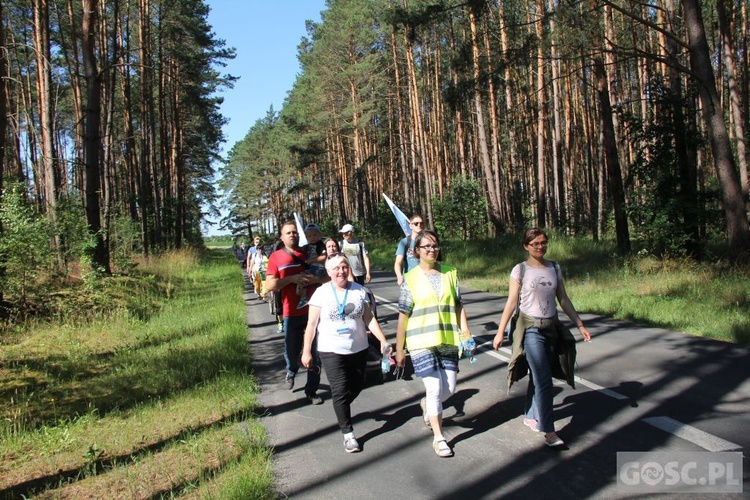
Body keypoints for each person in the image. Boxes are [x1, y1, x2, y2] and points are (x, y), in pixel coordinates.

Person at [492, 228, 592, 448]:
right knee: (544, 379)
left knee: (539, 375)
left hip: (551, 328)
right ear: (526, 246)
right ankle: (549, 430)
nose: (540, 247)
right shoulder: (520, 270)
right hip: (531, 330)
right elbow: (511, 302)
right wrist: (500, 332)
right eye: (535, 243)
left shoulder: (554, 268)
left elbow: (563, 299)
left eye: (543, 243)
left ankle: (530, 414)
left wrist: (580, 324)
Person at [301, 253, 389, 453]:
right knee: (340, 390)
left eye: (344, 267)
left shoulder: (359, 291)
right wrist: (307, 351)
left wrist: (383, 340)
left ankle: (341, 408)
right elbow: (311, 324)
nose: (341, 271)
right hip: (331, 349)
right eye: (336, 268)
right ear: (329, 272)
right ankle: (348, 433)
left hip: (358, 348)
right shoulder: (321, 293)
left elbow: (369, 318)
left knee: (357, 385)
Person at [395, 229, 470, 458]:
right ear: (416, 251)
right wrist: (400, 349)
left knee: (449, 389)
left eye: (435, 245)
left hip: (447, 338)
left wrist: (466, 333)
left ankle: (427, 404)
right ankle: (439, 437)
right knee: (435, 388)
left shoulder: (449, 273)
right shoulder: (410, 278)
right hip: (420, 341)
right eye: (426, 246)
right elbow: (403, 316)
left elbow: (458, 305)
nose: (431, 250)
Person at [265, 222, 329, 405]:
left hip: (314, 312)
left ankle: (312, 390)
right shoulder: (276, 257)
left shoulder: (310, 254)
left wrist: (316, 279)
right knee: (292, 351)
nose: (292, 235)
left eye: (294, 232)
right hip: (291, 312)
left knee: (315, 353)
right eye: (288, 233)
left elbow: (328, 276)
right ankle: (291, 370)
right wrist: (292, 279)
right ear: (282, 237)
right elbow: (270, 284)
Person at [394, 214, 424, 285]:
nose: (419, 225)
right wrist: (399, 276)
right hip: (410, 280)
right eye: (416, 223)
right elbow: (398, 262)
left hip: (425, 279)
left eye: (421, 223)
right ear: (410, 226)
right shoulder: (404, 242)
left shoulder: (428, 241)